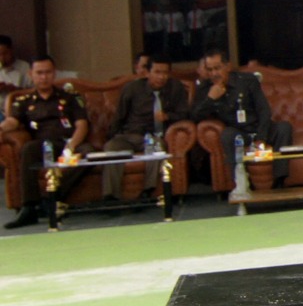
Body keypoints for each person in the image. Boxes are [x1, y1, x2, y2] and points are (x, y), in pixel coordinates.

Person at [1, 56, 90, 229]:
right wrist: (1, 128)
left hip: (70, 143)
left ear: (54, 73)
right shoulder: (24, 101)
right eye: (39, 73)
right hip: (43, 145)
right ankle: (29, 207)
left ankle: (49, 198)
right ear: (31, 75)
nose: (44, 77)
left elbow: (82, 125)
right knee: (27, 149)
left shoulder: (69, 97)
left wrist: (70, 146)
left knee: (88, 152)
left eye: (48, 72)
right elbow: (13, 121)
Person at [191, 49, 294, 186]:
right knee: (227, 135)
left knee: (284, 128)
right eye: (210, 70)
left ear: (227, 66)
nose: (214, 73)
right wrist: (210, 99)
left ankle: (279, 180)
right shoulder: (206, 88)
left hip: (259, 128)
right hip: (238, 133)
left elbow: (263, 110)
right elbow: (194, 116)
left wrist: (261, 138)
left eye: (217, 68)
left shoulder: (247, 81)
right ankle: (241, 182)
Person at [102, 53, 190, 201]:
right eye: (157, 72)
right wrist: (111, 137)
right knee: (111, 148)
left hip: (154, 137)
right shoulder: (132, 88)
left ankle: (148, 191)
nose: (162, 77)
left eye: (165, 73)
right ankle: (111, 197)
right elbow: (119, 116)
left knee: (157, 147)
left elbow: (185, 115)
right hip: (130, 135)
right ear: (147, 73)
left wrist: (168, 116)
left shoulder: (176, 88)